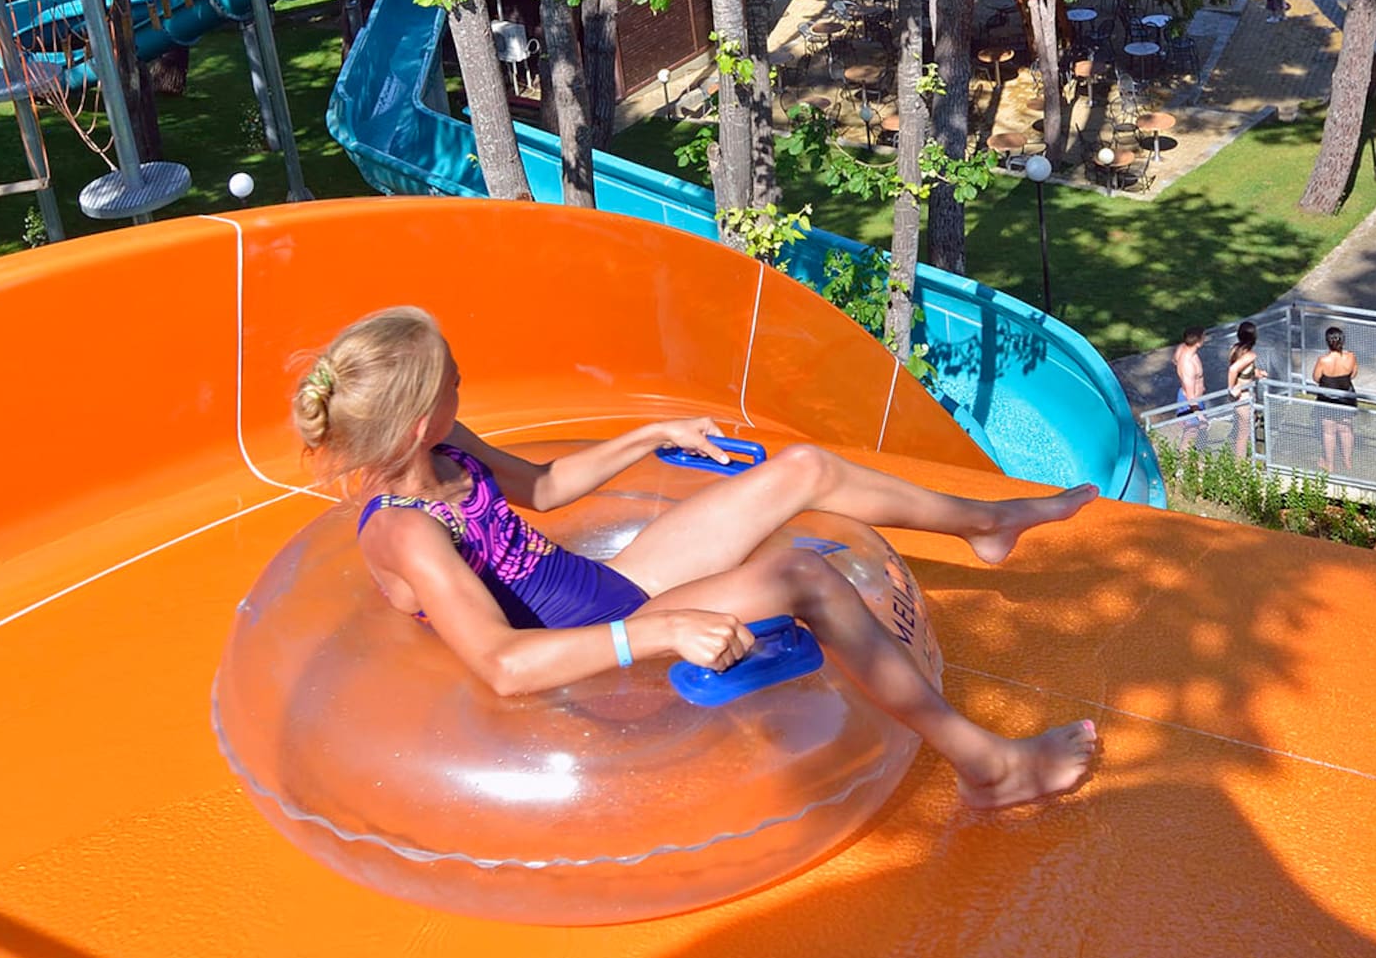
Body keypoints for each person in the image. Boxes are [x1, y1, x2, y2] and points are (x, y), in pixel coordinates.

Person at [293, 306, 1102, 811]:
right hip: (596, 660)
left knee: (804, 470)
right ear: (409, 425)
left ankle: (984, 524)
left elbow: (542, 489)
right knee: (804, 574)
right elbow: (503, 665)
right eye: (450, 383)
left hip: (610, 589)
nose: (463, 383)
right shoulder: (403, 530)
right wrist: (663, 631)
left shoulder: (448, 449)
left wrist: (652, 433)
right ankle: (988, 766)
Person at [1312, 325, 1358, 476]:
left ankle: (1329, 464)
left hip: (1328, 399)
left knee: (1329, 432)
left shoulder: (1323, 360)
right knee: (1346, 431)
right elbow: (1353, 374)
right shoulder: (1351, 357)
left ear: (1327, 342)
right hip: (1346, 398)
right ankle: (1347, 461)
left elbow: (1316, 378)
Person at [1227, 321, 1262, 462]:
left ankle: (1242, 459)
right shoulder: (1250, 355)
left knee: (1243, 429)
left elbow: (1243, 371)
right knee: (1244, 433)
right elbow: (1233, 369)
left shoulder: (1236, 349)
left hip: (1241, 398)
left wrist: (1257, 373)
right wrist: (1232, 389)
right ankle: (1239, 464)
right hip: (1244, 398)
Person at [1173, 325, 1207, 447]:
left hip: (1196, 400)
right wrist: (1199, 414)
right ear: (1198, 341)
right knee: (1190, 434)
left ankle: (1194, 460)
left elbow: (1174, 360)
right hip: (1191, 404)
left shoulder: (1182, 348)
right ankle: (1184, 463)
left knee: (1196, 434)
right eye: (1204, 337)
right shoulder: (1188, 364)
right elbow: (1190, 395)